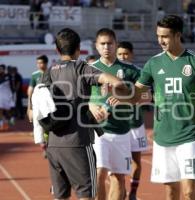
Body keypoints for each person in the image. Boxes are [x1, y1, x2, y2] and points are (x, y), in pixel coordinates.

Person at [115, 15, 195, 200]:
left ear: (178, 35)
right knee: (170, 192)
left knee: (189, 191)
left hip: (189, 135)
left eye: (165, 36)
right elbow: (136, 94)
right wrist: (118, 92)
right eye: (158, 36)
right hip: (162, 137)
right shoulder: (153, 63)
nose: (161, 40)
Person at [38, 28, 129, 200]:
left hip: (54, 145)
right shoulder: (81, 68)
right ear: (79, 49)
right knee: (86, 194)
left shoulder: (48, 72)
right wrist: (118, 90)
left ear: (57, 50)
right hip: (78, 143)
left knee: (60, 196)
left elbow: (33, 110)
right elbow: (114, 81)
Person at [90, 29, 141, 200]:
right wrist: (90, 106)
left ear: (116, 45)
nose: (106, 47)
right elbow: (77, 97)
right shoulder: (89, 69)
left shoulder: (131, 70)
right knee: (99, 172)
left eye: (109, 43)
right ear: (96, 46)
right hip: (98, 132)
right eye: (102, 44)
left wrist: (124, 98)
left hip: (122, 131)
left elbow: (146, 96)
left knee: (118, 177)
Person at [116, 41, 149, 200]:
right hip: (115, 125)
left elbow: (146, 97)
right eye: (120, 54)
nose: (123, 56)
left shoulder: (139, 72)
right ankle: (120, 191)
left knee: (136, 161)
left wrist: (127, 97)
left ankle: (133, 192)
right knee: (118, 164)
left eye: (126, 54)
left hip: (135, 124)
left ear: (132, 54)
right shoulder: (110, 71)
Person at [27, 55, 49, 123]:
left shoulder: (51, 73)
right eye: (37, 63)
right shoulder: (34, 75)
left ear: (46, 63)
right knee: (38, 122)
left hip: (49, 102)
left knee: (49, 121)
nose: (39, 65)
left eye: (41, 63)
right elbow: (30, 90)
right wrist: (29, 108)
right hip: (38, 102)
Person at [0, 64, 14, 131]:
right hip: (0, 96)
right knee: (0, 110)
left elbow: (12, 86)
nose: (0, 70)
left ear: (4, 69)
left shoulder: (8, 76)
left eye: (1, 69)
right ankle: (2, 124)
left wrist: (12, 94)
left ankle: (11, 119)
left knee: (8, 111)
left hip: (7, 96)